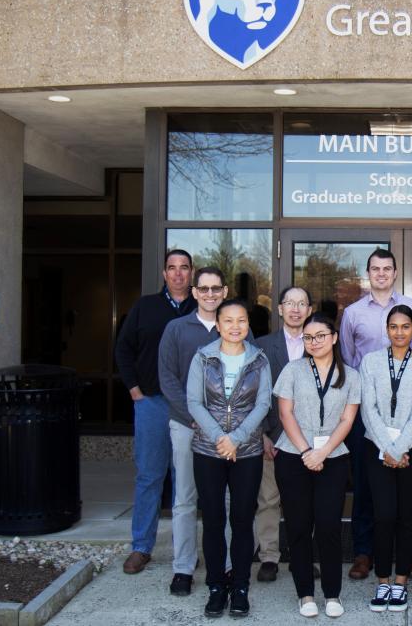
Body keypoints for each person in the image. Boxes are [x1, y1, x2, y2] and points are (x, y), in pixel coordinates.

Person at [340, 248, 412, 581]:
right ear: (368, 273)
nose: (381, 273)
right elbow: (349, 360)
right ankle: (364, 553)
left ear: (395, 272)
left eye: (387, 268)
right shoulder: (352, 313)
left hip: (407, 413)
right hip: (368, 412)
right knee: (366, 484)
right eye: (375, 269)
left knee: (407, 490)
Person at [186, 298, 272, 619]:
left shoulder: (259, 359)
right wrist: (220, 439)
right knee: (212, 521)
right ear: (218, 324)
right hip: (208, 450)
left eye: (241, 321)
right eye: (229, 321)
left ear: (248, 325)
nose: (236, 327)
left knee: (240, 520)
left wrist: (235, 439)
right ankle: (215, 587)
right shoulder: (203, 358)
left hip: (247, 451)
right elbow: (194, 403)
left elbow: (263, 405)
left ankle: (239, 587)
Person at [274, 312, 362, 619]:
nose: (314, 342)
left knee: (328, 526)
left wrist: (322, 452)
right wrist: (306, 451)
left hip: (333, 458)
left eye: (320, 336)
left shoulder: (350, 375)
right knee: (298, 527)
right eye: (308, 337)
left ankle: (332, 594)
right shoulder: (292, 370)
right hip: (293, 456)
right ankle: (305, 594)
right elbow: (286, 414)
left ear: (334, 337)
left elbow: (348, 419)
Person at [115, 249, 196, 575]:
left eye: (184, 268)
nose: (178, 274)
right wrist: (135, 390)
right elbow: (123, 349)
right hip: (151, 402)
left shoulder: (202, 308)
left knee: (185, 480)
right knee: (150, 475)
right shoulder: (145, 307)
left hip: (190, 407)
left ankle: (184, 551)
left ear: (192, 273)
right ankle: (141, 546)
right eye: (172, 268)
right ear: (164, 273)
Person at [360, 304, 412, 613]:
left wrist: (401, 446)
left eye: (406, 326)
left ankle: (401, 581)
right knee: (383, 514)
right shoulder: (370, 361)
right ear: (386, 330)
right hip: (377, 446)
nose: (400, 332)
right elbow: (368, 408)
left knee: (406, 514)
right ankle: (382, 579)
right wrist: (389, 448)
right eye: (394, 326)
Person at [158, 266, 228, 596]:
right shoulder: (176, 328)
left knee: (225, 500)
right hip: (187, 426)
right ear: (196, 292)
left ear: (225, 292)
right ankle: (183, 568)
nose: (211, 294)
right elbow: (167, 378)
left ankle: (225, 566)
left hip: (227, 431)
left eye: (217, 288)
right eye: (205, 289)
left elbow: (251, 374)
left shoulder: (236, 326)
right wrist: (195, 417)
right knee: (185, 499)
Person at [253, 286, 313, 583]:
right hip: (273, 435)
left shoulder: (319, 343)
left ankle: (302, 555)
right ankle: (269, 557)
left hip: (309, 438)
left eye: (302, 304)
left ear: (309, 310)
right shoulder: (263, 346)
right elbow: (257, 393)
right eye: (290, 303)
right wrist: (264, 432)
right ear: (279, 309)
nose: (295, 309)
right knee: (269, 499)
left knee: (304, 500)